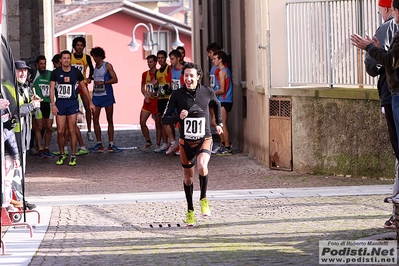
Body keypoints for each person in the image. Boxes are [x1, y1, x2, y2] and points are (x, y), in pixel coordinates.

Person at [351, 0, 399, 222]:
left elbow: (381, 63)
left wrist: (370, 48)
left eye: (381, 9)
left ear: (389, 9)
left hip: (392, 95)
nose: (381, 13)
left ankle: (395, 213)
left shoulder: (386, 28)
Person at [162, 62, 223, 226]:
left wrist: (219, 123)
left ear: (198, 77)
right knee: (188, 178)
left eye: (191, 75)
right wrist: (177, 117)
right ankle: (190, 210)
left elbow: (217, 104)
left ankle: (203, 198)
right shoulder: (177, 95)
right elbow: (164, 119)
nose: (188, 79)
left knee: (202, 166)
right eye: (185, 75)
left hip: (205, 138)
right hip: (186, 142)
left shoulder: (207, 91)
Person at [50, 50, 95, 166]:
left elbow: (84, 88)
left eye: (68, 58)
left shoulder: (76, 72)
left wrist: (90, 102)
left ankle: (73, 155)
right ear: (60, 60)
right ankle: (62, 154)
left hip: (72, 103)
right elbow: (51, 89)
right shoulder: (55, 73)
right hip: (60, 103)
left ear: (70, 59)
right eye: (64, 58)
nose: (66, 60)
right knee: (60, 131)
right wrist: (53, 104)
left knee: (71, 130)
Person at [88, 47, 121, 152]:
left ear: (100, 56)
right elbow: (96, 77)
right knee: (95, 119)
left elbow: (115, 79)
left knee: (110, 119)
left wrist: (104, 83)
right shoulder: (95, 67)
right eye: (93, 56)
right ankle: (99, 144)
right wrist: (91, 79)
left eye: (96, 56)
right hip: (97, 96)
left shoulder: (107, 65)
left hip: (107, 95)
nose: (94, 58)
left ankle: (111, 144)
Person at [71, 36, 95, 141]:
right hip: (72, 85)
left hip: (83, 84)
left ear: (84, 46)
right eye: (78, 45)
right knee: (72, 108)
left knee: (88, 107)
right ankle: (72, 128)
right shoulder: (70, 57)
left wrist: (90, 78)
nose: (79, 47)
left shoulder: (87, 57)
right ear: (74, 47)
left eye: (81, 45)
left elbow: (92, 68)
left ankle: (89, 131)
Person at [31, 55, 55, 158]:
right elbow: (25, 63)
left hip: (49, 103)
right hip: (39, 104)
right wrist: (33, 60)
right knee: (39, 127)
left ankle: (46, 147)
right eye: (41, 64)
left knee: (49, 128)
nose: (43, 66)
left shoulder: (50, 74)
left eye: (44, 63)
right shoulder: (35, 73)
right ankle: (40, 148)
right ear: (37, 65)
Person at [213, 50, 233, 156]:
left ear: (220, 60)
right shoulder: (225, 70)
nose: (213, 61)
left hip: (224, 99)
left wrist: (212, 93)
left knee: (222, 124)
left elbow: (222, 89)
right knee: (218, 122)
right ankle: (224, 144)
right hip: (225, 100)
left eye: (215, 59)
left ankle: (227, 146)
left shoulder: (222, 71)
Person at [164, 49, 185, 155]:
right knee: (165, 119)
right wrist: (165, 88)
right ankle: (173, 142)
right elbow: (169, 83)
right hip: (173, 98)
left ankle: (182, 145)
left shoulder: (184, 70)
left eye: (172, 59)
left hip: (182, 99)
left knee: (181, 123)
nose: (170, 61)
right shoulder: (171, 69)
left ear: (178, 58)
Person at [139, 54, 161, 150]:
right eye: (148, 62)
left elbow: (163, 87)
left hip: (157, 101)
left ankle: (158, 144)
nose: (149, 64)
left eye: (151, 62)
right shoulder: (145, 74)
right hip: (148, 102)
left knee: (158, 124)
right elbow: (142, 87)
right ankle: (148, 141)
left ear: (156, 62)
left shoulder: (160, 73)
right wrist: (146, 95)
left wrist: (158, 93)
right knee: (142, 122)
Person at [154, 50, 171, 153]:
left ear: (165, 58)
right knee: (161, 122)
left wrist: (164, 91)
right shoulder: (157, 71)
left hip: (167, 98)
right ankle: (165, 143)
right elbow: (156, 88)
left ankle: (171, 142)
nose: (160, 60)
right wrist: (155, 85)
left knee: (167, 122)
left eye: (162, 58)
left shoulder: (169, 69)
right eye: (158, 58)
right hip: (160, 98)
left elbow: (170, 84)